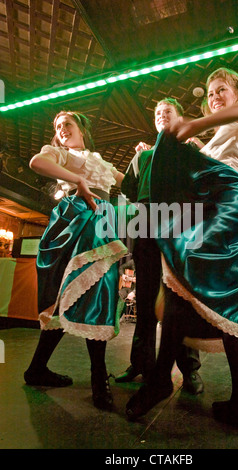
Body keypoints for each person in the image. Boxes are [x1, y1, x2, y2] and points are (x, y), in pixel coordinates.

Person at [125, 67, 238, 433]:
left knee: (214, 297)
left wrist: (188, 127)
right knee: (182, 289)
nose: (214, 96)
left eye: (221, 89)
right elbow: (188, 160)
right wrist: (158, 150)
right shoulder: (216, 137)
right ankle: (237, 403)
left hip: (227, 202)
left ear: (237, 90)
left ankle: (168, 381)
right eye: (209, 92)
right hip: (207, 207)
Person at [24, 111, 127, 410]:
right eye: (58, 127)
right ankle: (98, 377)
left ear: (82, 128)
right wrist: (78, 180)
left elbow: (130, 182)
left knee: (85, 294)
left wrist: (146, 157)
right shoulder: (59, 153)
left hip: (101, 219)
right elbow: (37, 163)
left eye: (67, 124)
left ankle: (36, 369)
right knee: (91, 293)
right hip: (76, 217)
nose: (62, 129)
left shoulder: (101, 160)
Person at [117, 98, 204, 395]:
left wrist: (198, 147)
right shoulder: (141, 157)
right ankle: (141, 364)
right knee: (144, 297)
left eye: (168, 112)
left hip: (179, 227)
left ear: (179, 118)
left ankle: (189, 369)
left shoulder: (188, 148)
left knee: (179, 298)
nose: (162, 116)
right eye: (157, 113)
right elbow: (128, 190)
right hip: (145, 227)